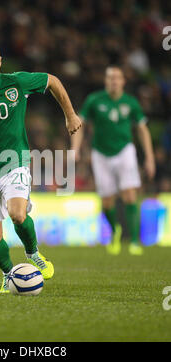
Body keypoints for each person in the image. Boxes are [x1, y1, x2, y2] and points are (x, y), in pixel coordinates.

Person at [0, 39, 81, 292]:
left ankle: (33, 253)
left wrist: (70, 115)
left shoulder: (16, 82)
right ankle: (7, 274)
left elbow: (52, 81)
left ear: (0, 62)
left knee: (18, 214)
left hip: (16, 162)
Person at [73, 66, 155, 255]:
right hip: (100, 153)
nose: (114, 81)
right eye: (110, 78)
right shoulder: (94, 100)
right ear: (106, 81)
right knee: (107, 200)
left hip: (124, 150)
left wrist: (149, 157)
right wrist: (75, 149)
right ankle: (115, 230)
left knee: (129, 194)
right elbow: (80, 123)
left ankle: (134, 241)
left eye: (117, 78)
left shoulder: (131, 103)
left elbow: (142, 129)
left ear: (123, 82)